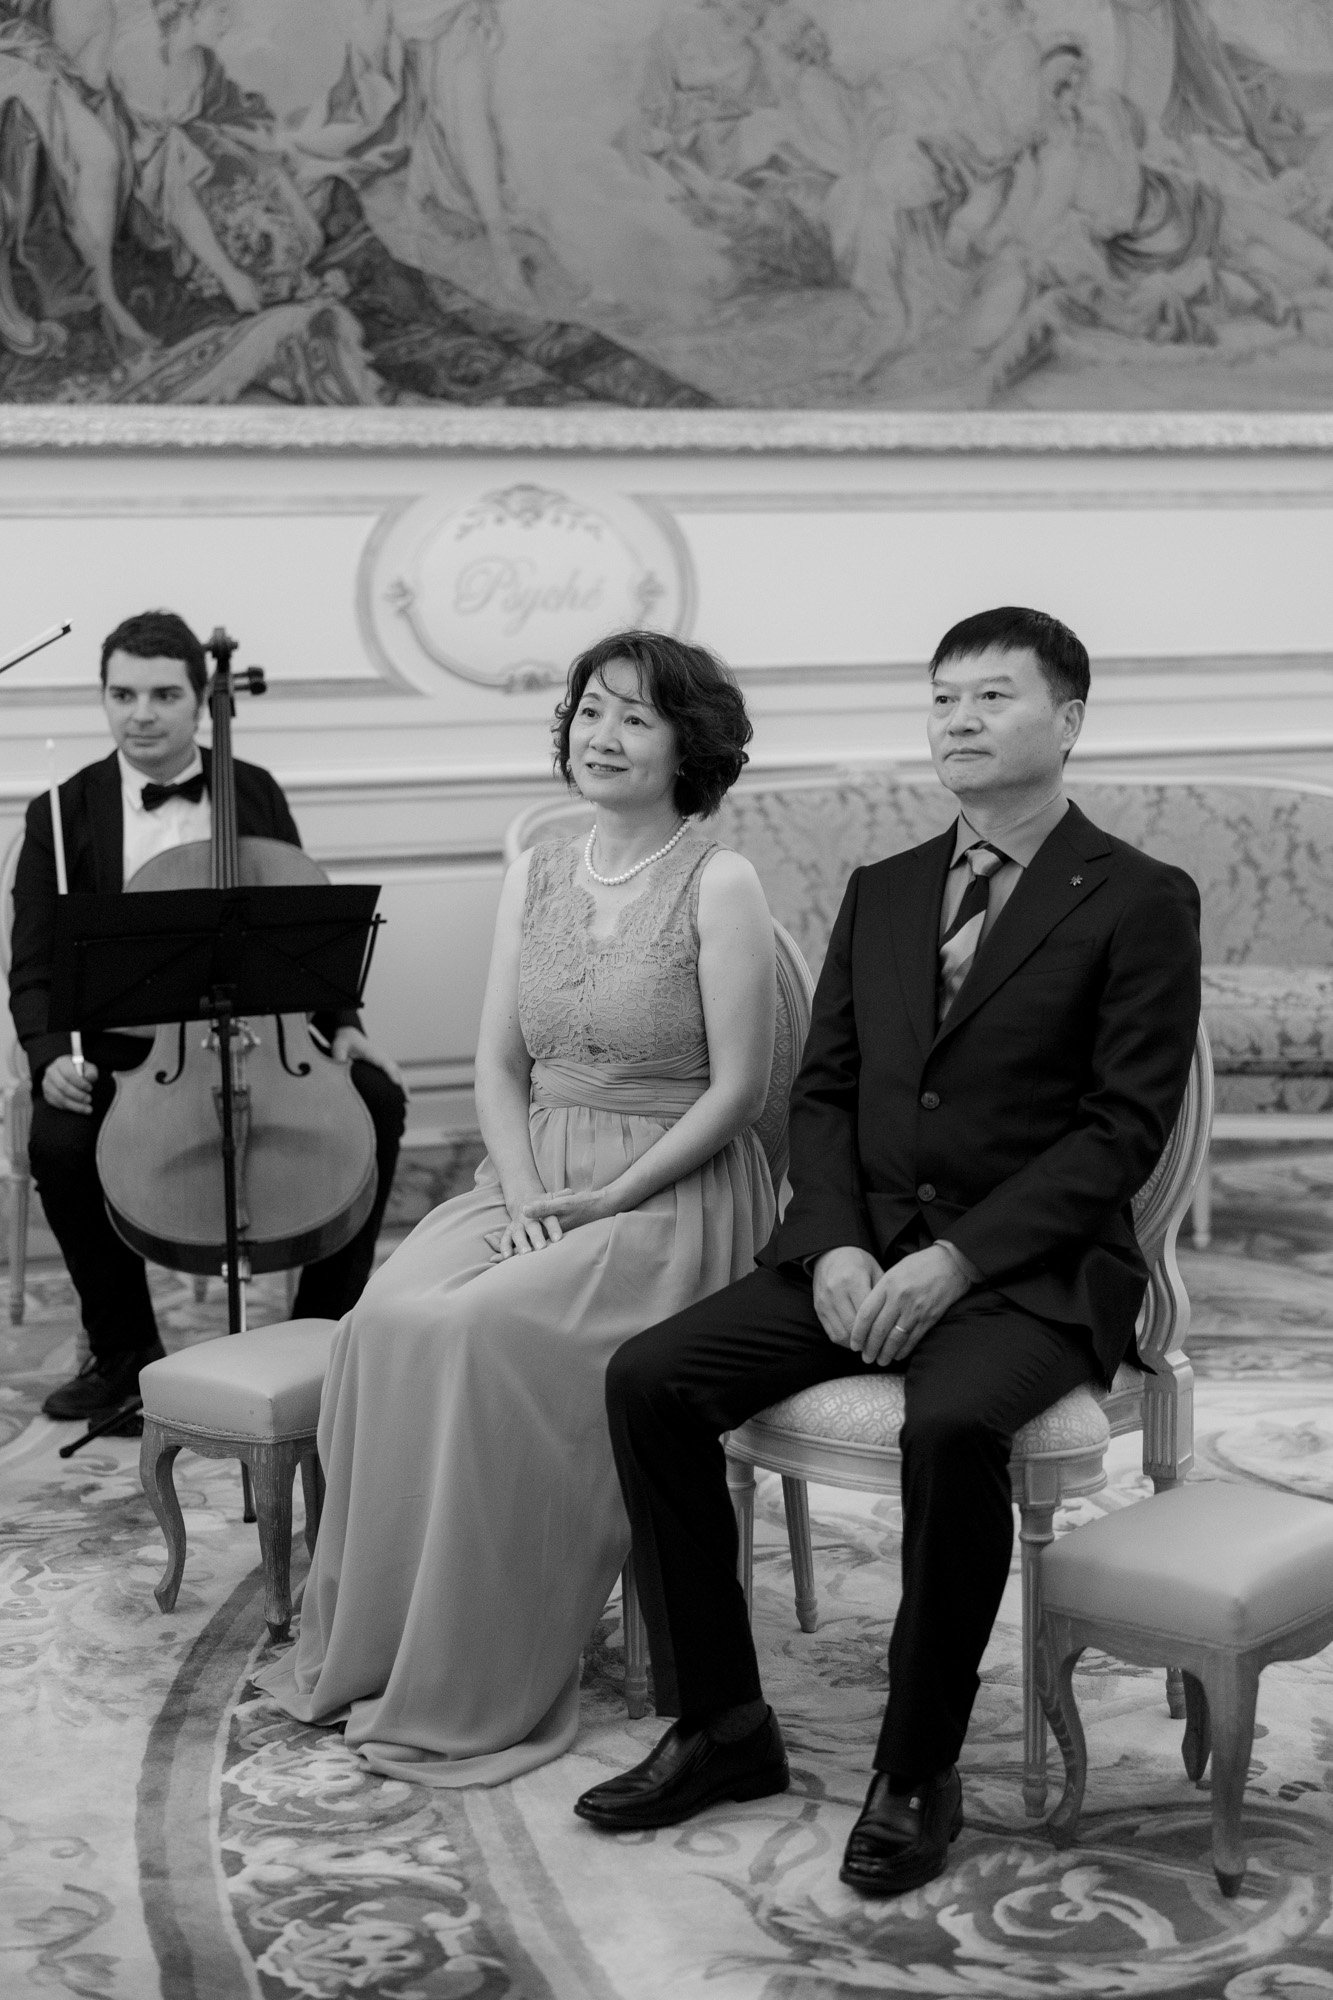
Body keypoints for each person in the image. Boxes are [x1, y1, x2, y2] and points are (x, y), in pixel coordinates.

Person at [575, 605, 1202, 1900]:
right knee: (650, 1380)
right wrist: (838, 1249)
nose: (958, 722)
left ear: (1067, 720)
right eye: (942, 700)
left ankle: (915, 1770)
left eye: (990, 698)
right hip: (864, 1249)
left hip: (1029, 1275)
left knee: (948, 1429)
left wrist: (958, 1262)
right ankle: (722, 1725)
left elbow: (1118, 1132)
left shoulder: (1140, 899)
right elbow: (825, 1090)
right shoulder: (887, 887)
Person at [253, 629, 777, 1786]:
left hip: (669, 1192)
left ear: (689, 744)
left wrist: (608, 1196)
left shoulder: (719, 878)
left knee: (471, 1330)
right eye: (592, 710)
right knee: (386, 1318)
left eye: (636, 717)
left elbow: (739, 1092)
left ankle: (471, 1662)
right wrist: (533, 1191)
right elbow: (498, 1065)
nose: (603, 734)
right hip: (535, 1172)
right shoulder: (539, 868)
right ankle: (378, 1643)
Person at [10, 609, 408, 1424]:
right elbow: (34, 963)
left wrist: (340, 1024)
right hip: (125, 1048)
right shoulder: (62, 809)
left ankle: (323, 1333)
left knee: (377, 1099)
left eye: (163, 694)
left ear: (201, 701)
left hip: (265, 1034)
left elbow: (299, 912)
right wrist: (50, 1053)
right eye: (121, 694)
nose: (140, 714)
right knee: (59, 1137)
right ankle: (124, 1356)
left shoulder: (252, 787)